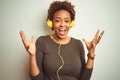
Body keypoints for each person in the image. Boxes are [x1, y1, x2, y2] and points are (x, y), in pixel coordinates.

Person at [19, 1, 104, 80]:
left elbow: (84, 78)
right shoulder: (42, 42)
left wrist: (91, 55)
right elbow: (36, 79)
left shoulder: (78, 44)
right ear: (51, 23)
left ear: (71, 23)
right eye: (57, 21)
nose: (62, 24)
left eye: (66, 21)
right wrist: (32, 55)